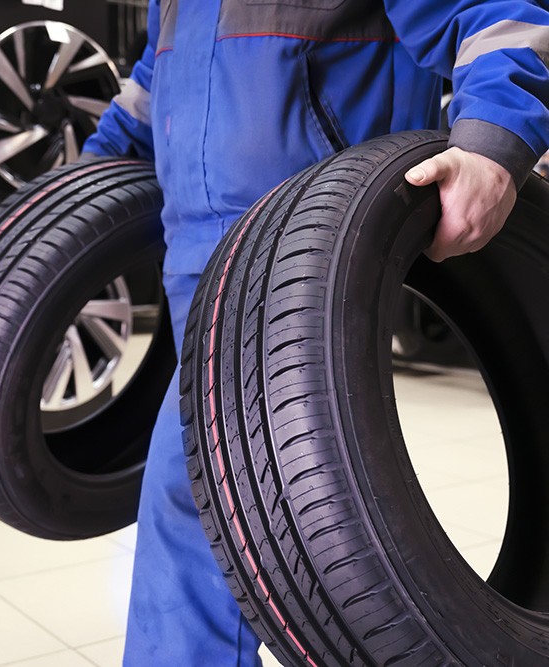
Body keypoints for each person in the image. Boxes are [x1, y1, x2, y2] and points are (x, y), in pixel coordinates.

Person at [81, 1, 549, 664]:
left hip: (302, 260)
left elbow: (497, 16)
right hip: (193, 257)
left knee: (194, 505)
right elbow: (155, 83)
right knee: (229, 513)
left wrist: (492, 146)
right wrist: (81, 186)